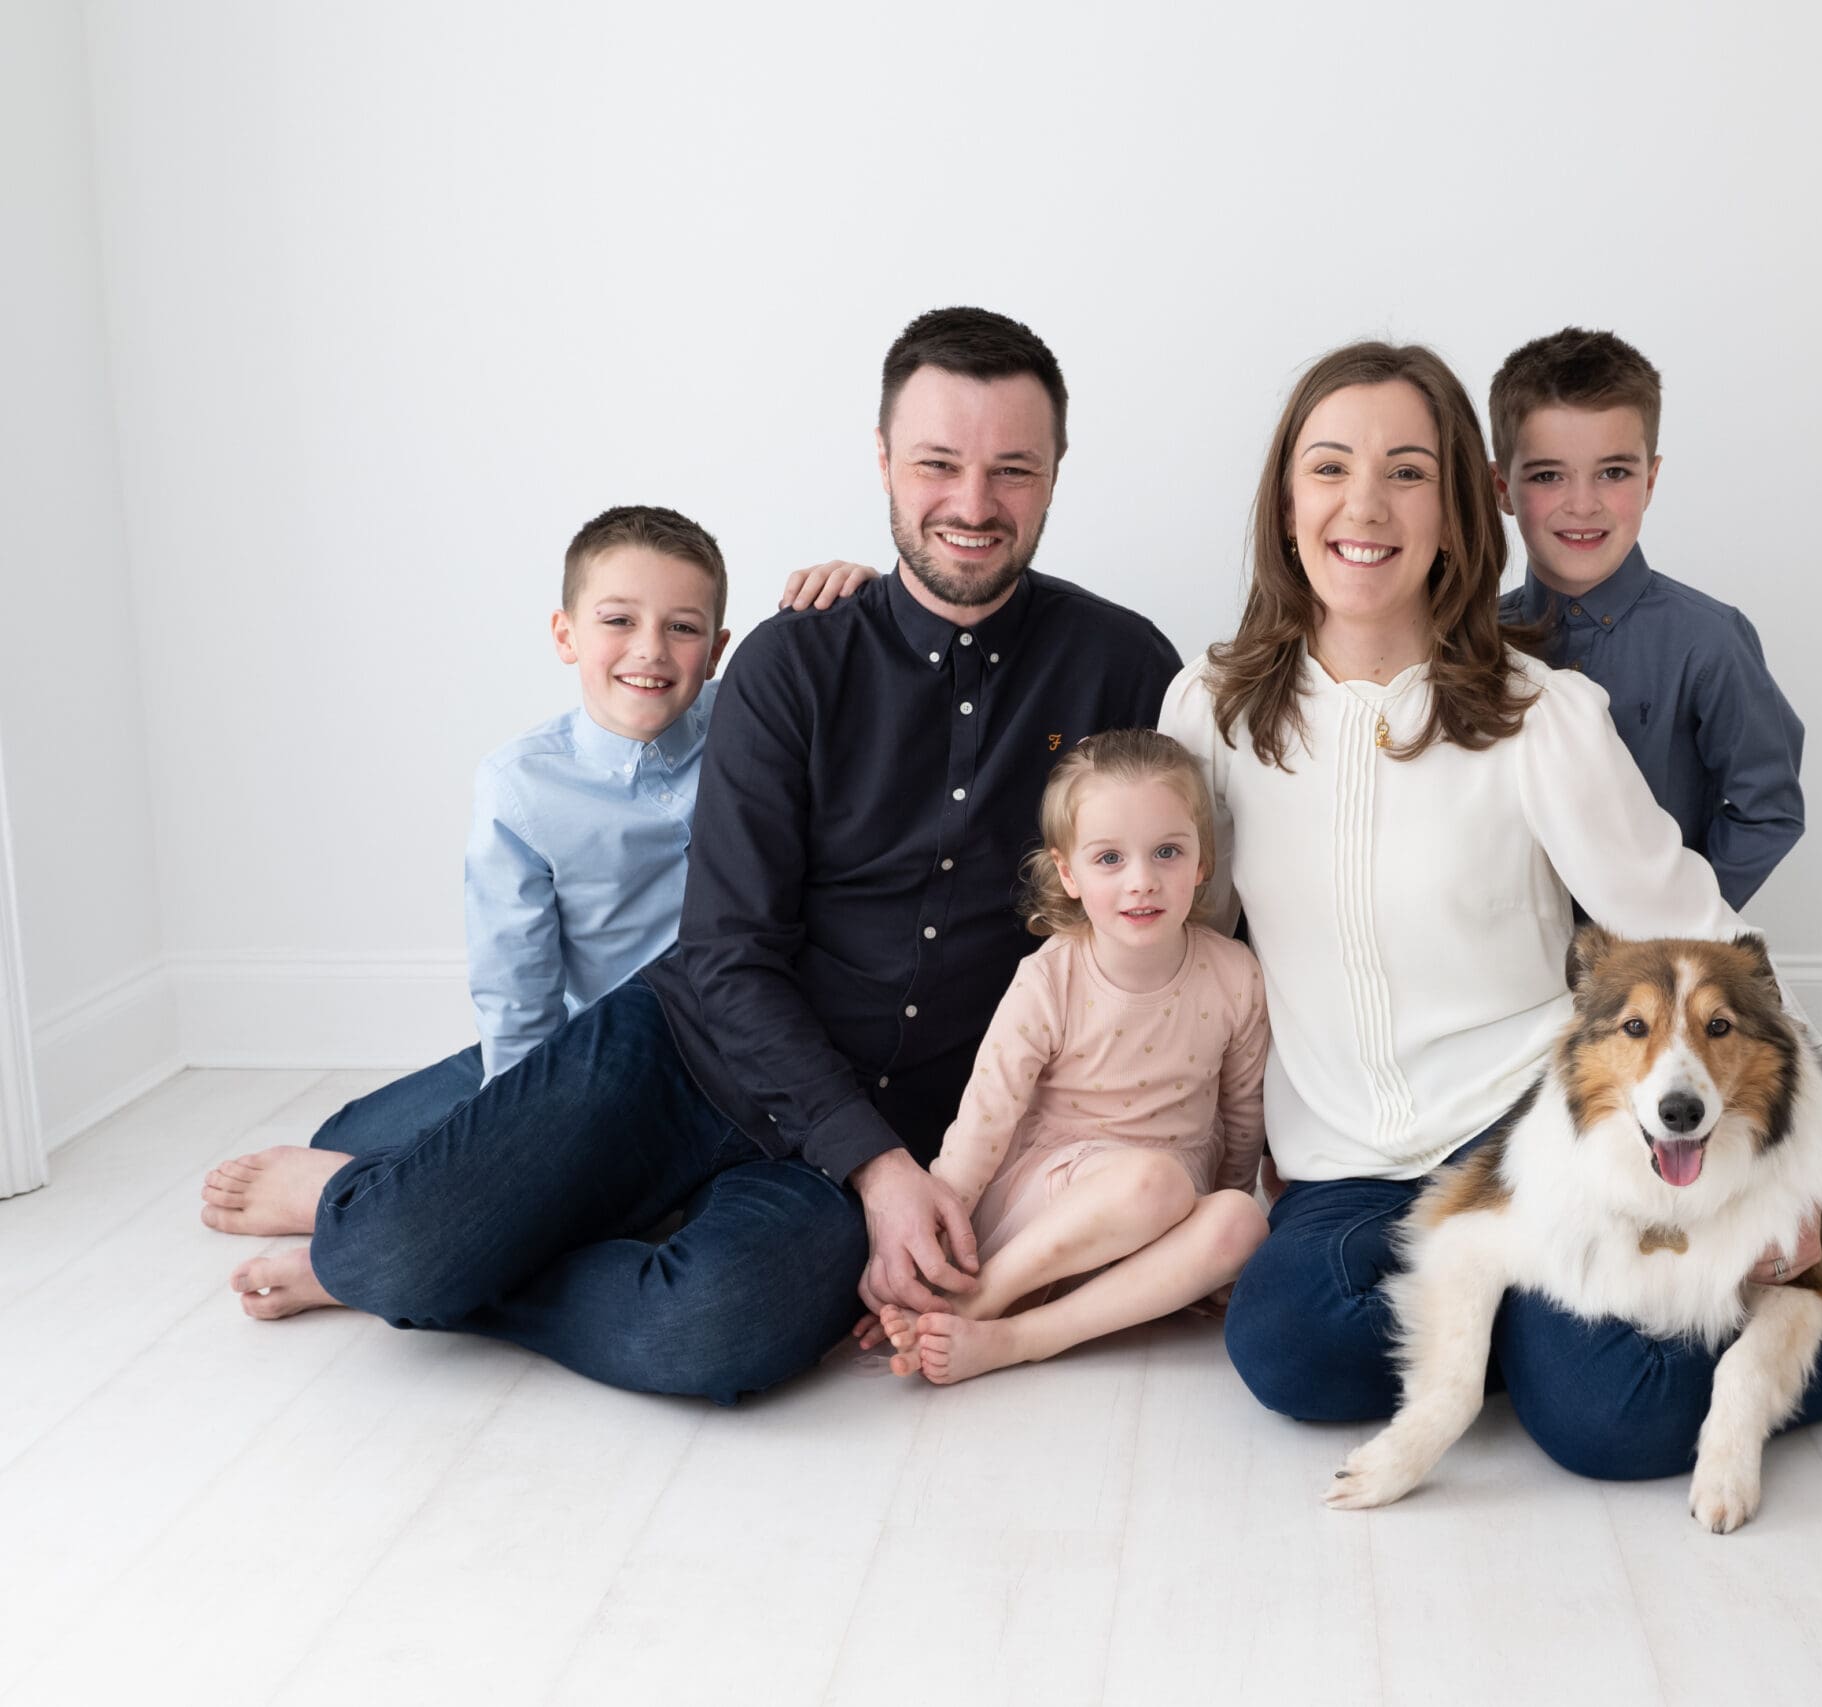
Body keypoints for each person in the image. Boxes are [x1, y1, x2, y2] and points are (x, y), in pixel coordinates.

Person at [1161, 340, 1822, 1481]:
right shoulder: (1212, 710)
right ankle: (1558, 1314)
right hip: (1345, 1164)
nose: (1365, 504)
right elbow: (1194, 956)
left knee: (1613, 1424)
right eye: (1329, 468)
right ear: (1284, 499)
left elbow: (1697, 926)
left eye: (1407, 472)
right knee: (1285, 1353)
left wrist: (1803, 1170)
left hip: (1529, 1139)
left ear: (1460, 510)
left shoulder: (1537, 714)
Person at [195, 306, 1182, 1404]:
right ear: (883, 460)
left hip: (890, 1136)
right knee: (382, 1253)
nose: (972, 505)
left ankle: (451, 1252)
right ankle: (387, 1231)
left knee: (715, 1335)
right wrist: (876, 1164)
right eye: (937, 464)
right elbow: (727, 948)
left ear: (1054, 473)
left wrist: (891, 1169)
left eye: (1013, 471)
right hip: (687, 1051)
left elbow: (1172, 923)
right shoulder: (790, 661)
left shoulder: (1125, 666)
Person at [199, 510, 856, 1213]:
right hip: (574, 1045)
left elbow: (865, 691)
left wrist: (863, 597)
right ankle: (370, 1202)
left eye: (682, 627)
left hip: (706, 1053)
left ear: (719, 648)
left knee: (599, 1191)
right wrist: (521, 1124)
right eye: (618, 621)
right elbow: (516, 985)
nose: (650, 651)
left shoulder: (751, 721)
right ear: (564, 635)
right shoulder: (520, 786)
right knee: (345, 1134)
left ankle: (380, 1220)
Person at [873, 729, 1268, 1383]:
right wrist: (932, 1256)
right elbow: (983, 1121)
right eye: (1109, 858)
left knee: (1242, 1220)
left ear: (1202, 862)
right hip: (1046, 1211)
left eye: (1167, 851)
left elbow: (1243, 1115)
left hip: (1157, 1224)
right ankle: (980, 1296)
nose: (1142, 881)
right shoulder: (1052, 976)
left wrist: (1213, 1253)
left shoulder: (1234, 974)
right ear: (1068, 872)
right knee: (1155, 1179)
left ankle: (1022, 1335)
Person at [1490, 327, 1803, 908]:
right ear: (1502, 487)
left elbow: (1768, 808)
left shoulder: (1709, 642)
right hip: (1510, 967)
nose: (1582, 504)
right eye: (1547, 475)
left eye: (1613, 473)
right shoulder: (1476, 639)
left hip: (1648, 977)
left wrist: (1679, 923)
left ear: (1651, 479)